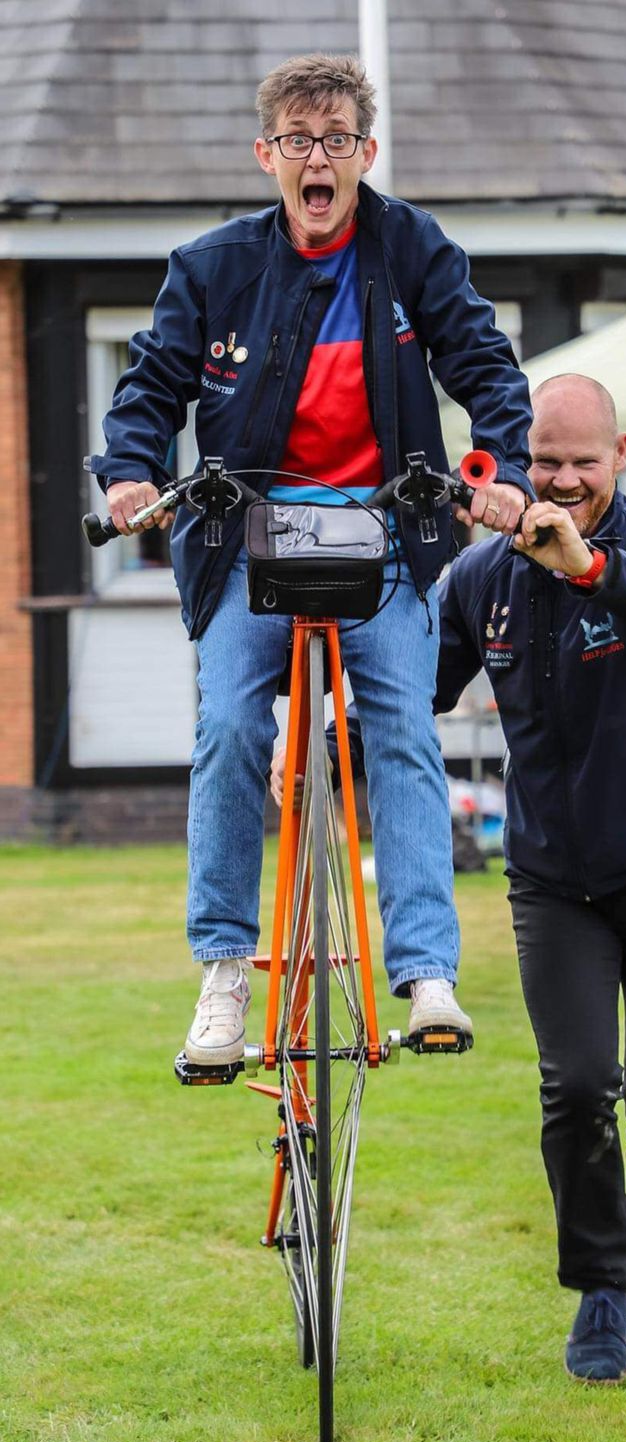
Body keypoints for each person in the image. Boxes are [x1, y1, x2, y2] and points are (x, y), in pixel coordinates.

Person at [278, 373, 626, 1383]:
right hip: (555, 880)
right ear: (518, 457)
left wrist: (587, 563)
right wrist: (322, 742)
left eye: (583, 460)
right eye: (546, 460)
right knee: (577, 1086)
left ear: (620, 451)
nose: (563, 479)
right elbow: (411, 702)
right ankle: (600, 1293)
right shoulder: (482, 576)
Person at [86, 53, 533, 1063]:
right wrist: (127, 474)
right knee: (232, 725)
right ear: (267, 156)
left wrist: (502, 467)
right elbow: (150, 388)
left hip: (386, 534)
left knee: (404, 736)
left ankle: (425, 973)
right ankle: (223, 973)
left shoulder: (413, 247)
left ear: (366, 153)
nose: (317, 158)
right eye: (298, 141)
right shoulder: (212, 267)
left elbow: (485, 366)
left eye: (336, 140)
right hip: (247, 540)